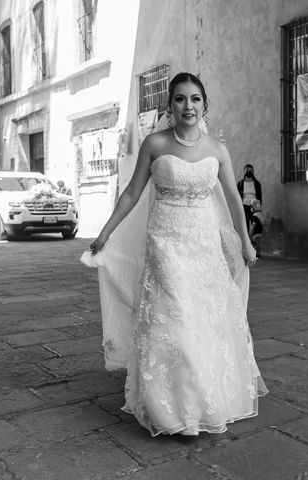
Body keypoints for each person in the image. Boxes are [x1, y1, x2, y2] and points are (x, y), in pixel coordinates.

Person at [85, 72, 267, 436]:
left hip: (203, 244)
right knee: (176, 317)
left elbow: (233, 199)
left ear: (205, 105)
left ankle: (199, 401)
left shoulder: (217, 149)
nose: (189, 105)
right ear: (170, 107)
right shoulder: (155, 144)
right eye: (181, 99)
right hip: (165, 242)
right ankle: (174, 411)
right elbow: (132, 193)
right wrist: (104, 233)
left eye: (195, 98)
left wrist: (245, 242)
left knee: (202, 319)